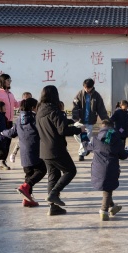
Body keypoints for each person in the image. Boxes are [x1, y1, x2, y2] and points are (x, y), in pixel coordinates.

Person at [37, 85, 85, 216]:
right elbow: (62, 130)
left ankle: (53, 208)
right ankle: (53, 194)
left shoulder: (40, 110)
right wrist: (78, 129)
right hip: (56, 148)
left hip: (44, 150)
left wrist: (69, 121)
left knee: (53, 176)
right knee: (70, 170)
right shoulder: (54, 111)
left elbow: (56, 124)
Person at [2, 98, 47, 207]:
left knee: (29, 175)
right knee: (42, 170)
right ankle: (25, 187)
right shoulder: (35, 119)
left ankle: (27, 199)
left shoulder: (18, 120)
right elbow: (43, 132)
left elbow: (12, 133)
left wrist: (2, 132)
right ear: (32, 108)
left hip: (24, 154)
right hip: (35, 151)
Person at [82, 119, 128, 221]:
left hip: (97, 169)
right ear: (112, 127)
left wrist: (83, 136)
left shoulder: (95, 139)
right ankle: (104, 210)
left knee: (106, 187)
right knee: (108, 189)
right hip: (111, 167)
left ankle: (112, 207)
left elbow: (86, 147)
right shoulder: (117, 139)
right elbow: (123, 155)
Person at [72, 78, 109, 161]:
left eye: (88, 88)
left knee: (86, 136)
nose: (86, 89)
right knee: (76, 135)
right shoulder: (80, 94)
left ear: (92, 87)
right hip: (80, 120)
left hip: (90, 121)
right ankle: (87, 146)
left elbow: (101, 109)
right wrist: (75, 117)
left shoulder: (97, 96)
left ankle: (81, 154)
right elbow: (75, 106)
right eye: (85, 87)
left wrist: (106, 120)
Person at [0, 73, 19, 171]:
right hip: (1, 121)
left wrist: (25, 101)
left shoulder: (10, 94)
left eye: (10, 80)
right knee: (0, 143)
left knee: (7, 143)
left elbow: (15, 104)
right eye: (8, 80)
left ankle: (3, 161)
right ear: (3, 81)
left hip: (9, 121)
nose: (10, 82)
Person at [9, 91, 33, 163]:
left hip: (31, 124)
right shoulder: (22, 106)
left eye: (29, 98)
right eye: (26, 98)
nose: (28, 100)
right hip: (25, 126)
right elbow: (22, 119)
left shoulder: (33, 105)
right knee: (21, 141)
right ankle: (13, 154)